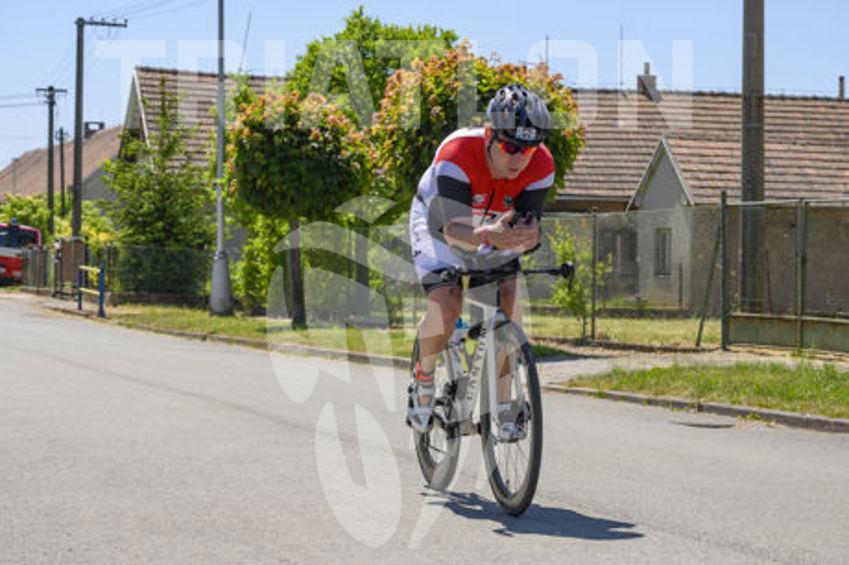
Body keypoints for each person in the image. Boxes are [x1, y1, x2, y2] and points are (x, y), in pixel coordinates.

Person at [407, 84, 555, 434]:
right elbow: (452, 230)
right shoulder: (457, 153)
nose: (519, 157)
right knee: (447, 303)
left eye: (528, 149)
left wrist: (528, 236)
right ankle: (423, 379)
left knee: (509, 299)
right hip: (440, 225)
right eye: (510, 146)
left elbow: (526, 225)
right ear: (489, 135)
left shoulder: (541, 165)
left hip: (490, 225)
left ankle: (503, 403)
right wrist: (490, 235)